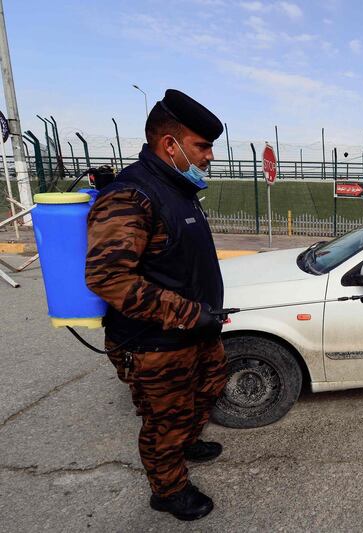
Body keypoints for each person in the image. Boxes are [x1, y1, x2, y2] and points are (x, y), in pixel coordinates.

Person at [85, 89, 228, 521]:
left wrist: (203, 317)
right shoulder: (131, 196)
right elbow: (109, 278)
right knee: (165, 418)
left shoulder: (177, 189)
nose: (209, 157)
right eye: (202, 147)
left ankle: (186, 440)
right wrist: (189, 313)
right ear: (171, 145)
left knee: (207, 387)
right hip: (154, 344)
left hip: (195, 332)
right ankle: (168, 489)